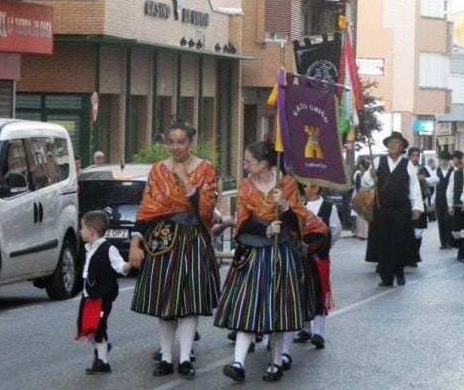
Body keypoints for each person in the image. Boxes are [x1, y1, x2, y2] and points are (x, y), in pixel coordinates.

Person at [214, 141, 327, 382]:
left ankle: (275, 363)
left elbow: (299, 223)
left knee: (278, 308)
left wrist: (285, 207)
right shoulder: (245, 186)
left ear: (264, 164)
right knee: (247, 305)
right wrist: (266, 227)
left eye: (248, 162)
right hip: (254, 253)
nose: (245, 166)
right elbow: (242, 221)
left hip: (280, 254)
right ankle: (238, 363)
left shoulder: (286, 184)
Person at [128, 121, 220, 379]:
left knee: (190, 302)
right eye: (172, 142)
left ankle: (186, 357)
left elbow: (207, 210)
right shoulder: (157, 170)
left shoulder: (206, 170)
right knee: (165, 302)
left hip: (193, 239)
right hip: (162, 240)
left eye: (182, 142)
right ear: (167, 143)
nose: (176, 147)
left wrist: (184, 179)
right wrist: (136, 243)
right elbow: (147, 208)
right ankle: (167, 358)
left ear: (192, 143)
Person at [362, 131, 424, 286]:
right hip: (382, 209)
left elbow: (414, 187)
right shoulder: (377, 161)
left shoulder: (407, 164)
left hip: (401, 209)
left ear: (402, 146)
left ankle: (399, 272)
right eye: (390, 142)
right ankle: (386, 277)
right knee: (383, 243)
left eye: (396, 143)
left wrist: (416, 208)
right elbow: (366, 183)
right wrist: (370, 175)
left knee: (399, 242)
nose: (393, 145)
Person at [76, 210, 132, 374]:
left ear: (91, 231)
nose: (80, 231)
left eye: (82, 227)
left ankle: (103, 361)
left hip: (102, 296)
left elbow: (120, 267)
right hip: (89, 296)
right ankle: (102, 351)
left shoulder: (109, 249)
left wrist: (130, 264)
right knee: (89, 326)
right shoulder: (88, 248)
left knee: (99, 326)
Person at [287, 183, 339, 354]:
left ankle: (319, 332)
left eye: (309, 186)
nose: (305, 190)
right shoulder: (300, 208)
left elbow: (335, 229)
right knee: (303, 291)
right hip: (302, 258)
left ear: (316, 188)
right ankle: (305, 329)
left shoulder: (329, 207)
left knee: (319, 292)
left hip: (319, 257)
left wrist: (324, 247)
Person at [408, 147, 435, 262]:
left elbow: (432, 184)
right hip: (408, 204)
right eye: (413, 155)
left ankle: (415, 255)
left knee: (418, 231)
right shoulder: (405, 169)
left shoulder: (422, 169)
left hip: (420, 204)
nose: (415, 158)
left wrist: (424, 180)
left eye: (417, 156)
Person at [431, 151, 454, 249]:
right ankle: (443, 242)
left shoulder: (453, 171)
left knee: (448, 220)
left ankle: (449, 241)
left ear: (448, 161)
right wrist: (432, 200)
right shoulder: (436, 171)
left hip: (449, 199)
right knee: (440, 220)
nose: (443, 162)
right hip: (439, 198)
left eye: (445, 160)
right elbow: (434, 187)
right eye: (441, 160)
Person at [352, 158, 371, 240]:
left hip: (361, 195)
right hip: (367, 195)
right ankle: (362, 233)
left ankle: (361, 234)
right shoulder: (366, 174)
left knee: (361, 216)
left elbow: (357, 186)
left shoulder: (359, 174)